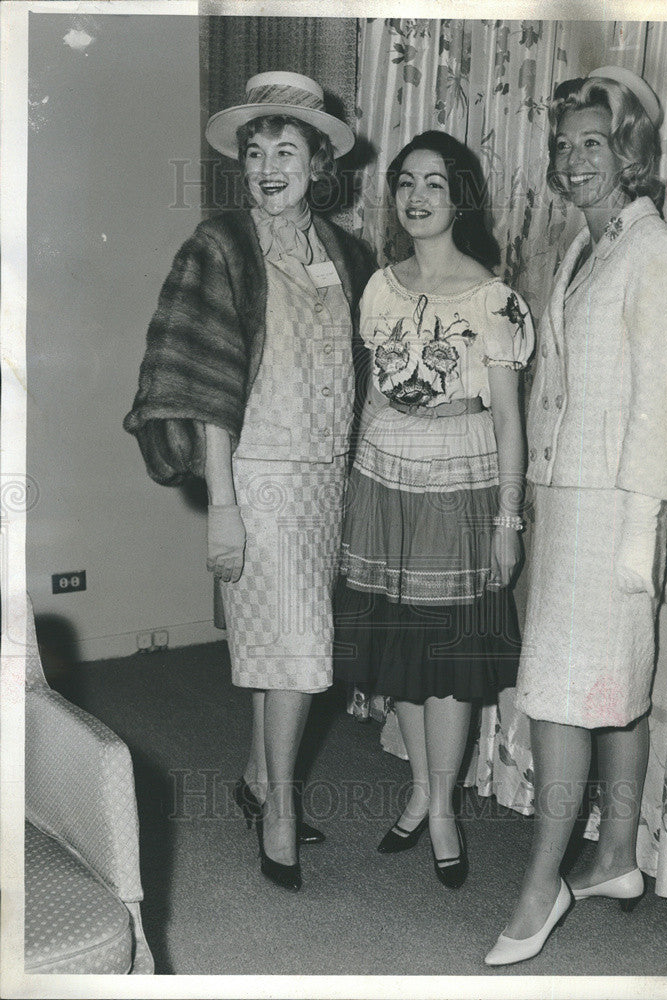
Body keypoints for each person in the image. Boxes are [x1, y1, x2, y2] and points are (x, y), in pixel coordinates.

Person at [124, 72, 375, 892]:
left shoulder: (347, 252)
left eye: (286, 149)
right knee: (300, 650)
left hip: (325, 477)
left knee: (281, 645)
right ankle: (276, 811)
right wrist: (222, 506)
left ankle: (258, 778)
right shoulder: (222, 244)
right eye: (256, 151)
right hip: (258, 476)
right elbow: (202, 386)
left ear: (317, 162)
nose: (269, 166)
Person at [484, 67, 667, 964]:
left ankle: (544, 884)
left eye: (592, 144)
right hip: (568, 495)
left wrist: (641, 537)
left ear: (630, 150)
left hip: (615, 507)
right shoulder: (585, 247)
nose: (572, 161)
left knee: (567, 688)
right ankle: (613, 855)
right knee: (612, 682)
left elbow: (661, 406)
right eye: (564, 145)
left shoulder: (654, 253)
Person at [334, 131, 534, 889]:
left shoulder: (494, 299)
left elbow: (510, 420)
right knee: (400, 656)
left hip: (459, 488)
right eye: (406, 183)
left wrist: (508, 521)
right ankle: (419, 790)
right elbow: (371, 397)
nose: (416, 197)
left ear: (460, 200)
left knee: (448, 659)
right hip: (385, 483)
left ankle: (443, 808)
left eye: (434, 185)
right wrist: (352, 487)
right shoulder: (380, 289)